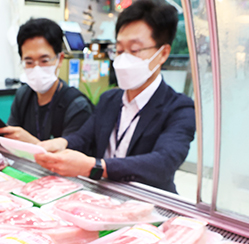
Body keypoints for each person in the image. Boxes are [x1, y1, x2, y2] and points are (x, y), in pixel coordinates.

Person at [34, 0, 196, 194]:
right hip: (102, 198)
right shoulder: (109, 99)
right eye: (119, 50)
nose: (124, 59)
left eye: (134, 50)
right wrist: (61, 143)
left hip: (148, 203)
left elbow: (162, 163)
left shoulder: (180, 108)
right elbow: (84, 137)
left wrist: (94, 166)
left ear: (163, 53)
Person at [0, 18, 93, 142]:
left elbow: (73, 157)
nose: (37, 68)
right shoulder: (23, 95)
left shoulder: (77, 106)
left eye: (44, 60)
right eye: (29, 62)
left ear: (60, 59)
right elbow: (11, 141)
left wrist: (33, 143)